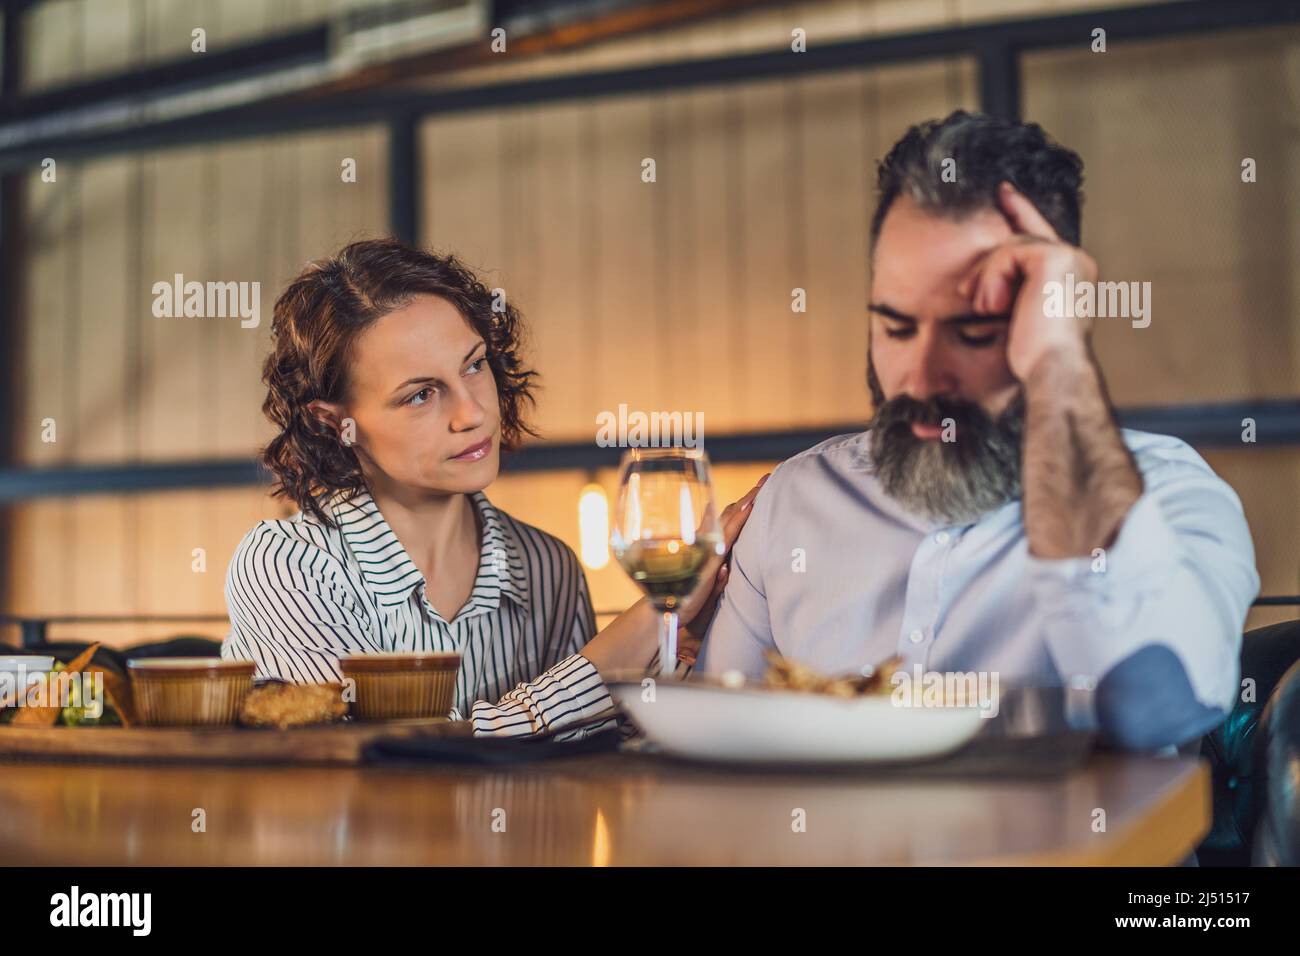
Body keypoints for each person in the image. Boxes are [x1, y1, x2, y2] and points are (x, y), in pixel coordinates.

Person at [698, 110, 1259, 751]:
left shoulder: (1170, 491)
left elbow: (1156, 710)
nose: (922, 377)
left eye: (974, 332)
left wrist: (1059, 366)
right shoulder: (792, 501)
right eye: (897, 327)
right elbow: (726, 742)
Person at [221, 238, 763, 737]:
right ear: (331, 422)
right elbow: (391, 759)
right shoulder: (287, 564)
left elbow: (580, 757)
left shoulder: (549, 567)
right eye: (420, 395)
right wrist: (639, 630)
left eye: (474, 366)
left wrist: (680, 656)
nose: (474, 413)